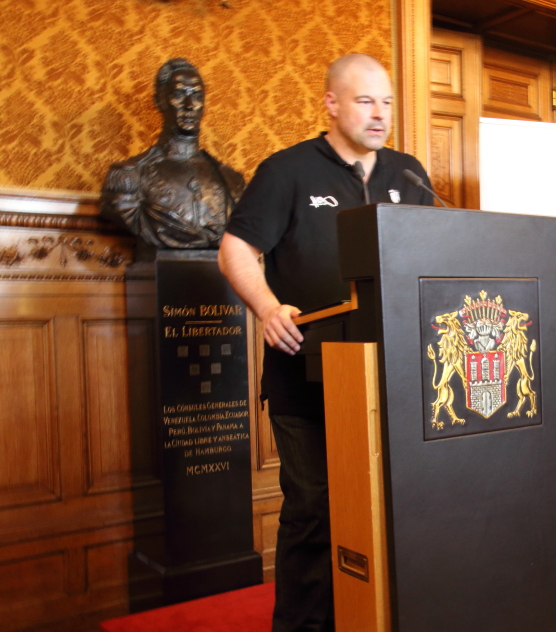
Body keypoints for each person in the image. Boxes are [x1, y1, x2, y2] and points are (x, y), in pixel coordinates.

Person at [218, 54, 434, 631]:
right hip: (305, 375)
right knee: (315, 511)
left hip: (393, 377)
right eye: (366, 101)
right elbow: (235, 249)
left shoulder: (408, 174)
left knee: (389, 508)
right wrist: (267, 307)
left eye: (387, 101)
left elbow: (438, 256)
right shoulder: (286, 170)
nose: (380, 113)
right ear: (331, 104)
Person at [101, 58, 245, 249]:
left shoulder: (231, 181)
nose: (189, 105)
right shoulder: (130, 175)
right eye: (179, 94)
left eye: (197, 96)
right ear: (159, 101)